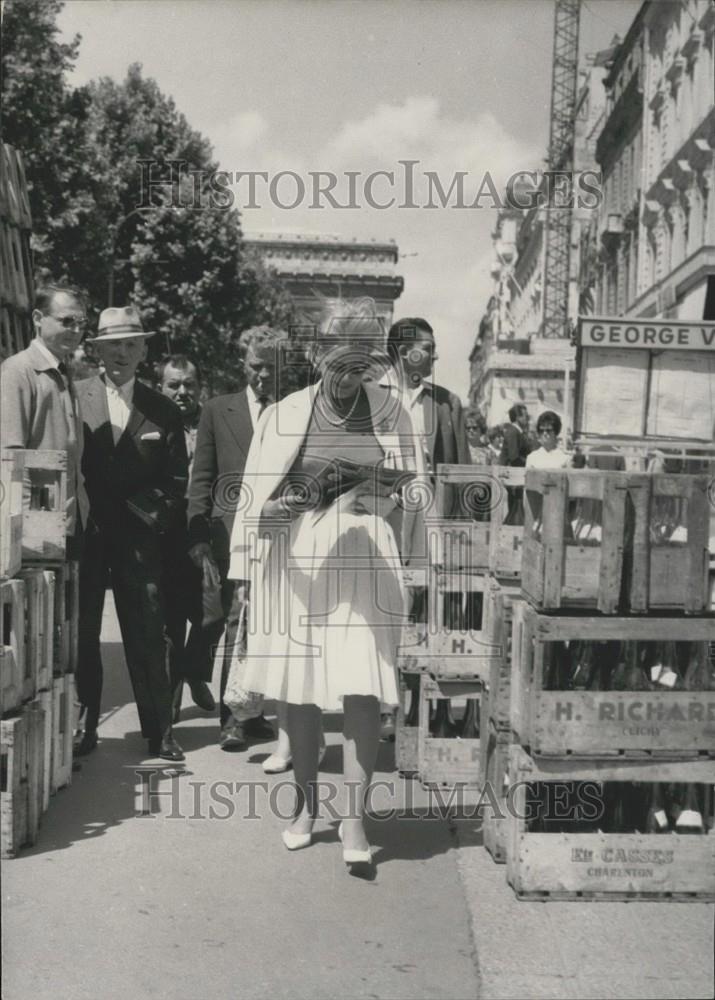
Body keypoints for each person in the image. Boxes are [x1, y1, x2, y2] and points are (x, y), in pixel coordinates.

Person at [228, 297, 421, 877]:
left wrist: (389, 493)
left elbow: (417, 496)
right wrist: (296, 500)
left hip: (366, 563)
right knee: (301, 686)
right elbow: (255, 516)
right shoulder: (282, 415)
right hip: (300, 564)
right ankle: (307, 805)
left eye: (362, 364)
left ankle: (355, 818)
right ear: (315, 355)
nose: (351, 375)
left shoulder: (393, 412)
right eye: (341, 362)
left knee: (364, 688)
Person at [75, 306, 188, 761]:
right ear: (96, 350)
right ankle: (84, 727)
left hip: (140, 540)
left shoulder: (162, 408)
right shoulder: (74, 396)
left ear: (143, 350)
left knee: (148, 632)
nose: (119, 354)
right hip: (85, 535)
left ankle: (160, 731)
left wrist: (146, 515)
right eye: (110, 346)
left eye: (129, 345)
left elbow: (177, 481)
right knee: (82, 633)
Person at [187, 327, 289, 753]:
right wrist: (197, 530)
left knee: (268, 626)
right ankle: (231, 721)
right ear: (241, 364)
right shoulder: (217, 409)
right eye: (255, 366)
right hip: (230, 531)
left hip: (282, 531)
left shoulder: (294, 410)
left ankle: (254, 710)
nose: (262, 375)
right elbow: (202, 474)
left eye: (271, 367)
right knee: (235, 621)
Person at [0, 284, 90, 551]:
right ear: (38, 319)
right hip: (36, 532)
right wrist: (34, 532)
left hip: (71, 522)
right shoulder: (17, 372)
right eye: (67, 321)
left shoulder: (62, 372)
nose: (76, 330)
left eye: (81, 323)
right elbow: (9, 460)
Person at [158, 355, 216, 718]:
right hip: (165, 532)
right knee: (171, 616)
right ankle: (174, 690)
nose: (182, 392)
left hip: (205, 531)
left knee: (214, 613)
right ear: (161, 387)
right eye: (173, 385)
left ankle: (195, 670)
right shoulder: (151, 419)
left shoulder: (210, 423)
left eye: (189, 385)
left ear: (200, 388)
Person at [499, 402, 531, 467]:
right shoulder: (513, 432)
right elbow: (514, 458)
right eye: (526, 416)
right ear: (518, 418)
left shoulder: (517, 432)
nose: (528, 419)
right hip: (509, 472)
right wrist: (530, 463)